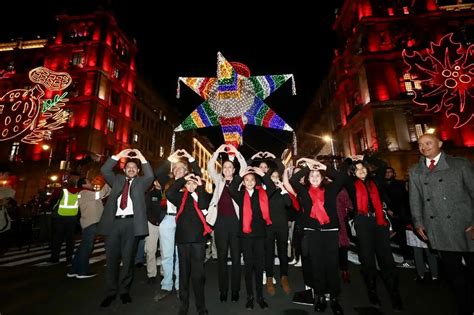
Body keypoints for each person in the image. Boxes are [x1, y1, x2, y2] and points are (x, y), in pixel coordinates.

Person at [409, 133, 474, 315]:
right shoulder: (416, 171)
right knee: (455, 276)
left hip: (467, 226)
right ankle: (465, 308)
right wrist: (418, 223)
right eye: (420, 144)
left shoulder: (459, 164)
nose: (424, 147)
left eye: (428, 143)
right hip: (439, 228)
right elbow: (415, 201)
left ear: (440, 143)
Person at [344, 155, 403, 311]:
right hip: (362, 223)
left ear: (368, 169)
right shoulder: (351, 185)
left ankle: (394, 294)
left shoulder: (376, 181)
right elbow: (341, 175)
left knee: (387, 259)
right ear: (353, 173)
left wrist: (365, 157)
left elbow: (383, 165)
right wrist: (350, 161)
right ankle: (372, 292)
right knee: (367, 259)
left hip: (379, 222)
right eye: (357, 169)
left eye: (363, 168)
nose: (361, 170)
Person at [289, 158, 346, 315]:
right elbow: (293, 179)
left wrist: (323, 167)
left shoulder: (331, 190)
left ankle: (334, 298)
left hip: (330, 232)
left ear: (322, 178)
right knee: (317, 266)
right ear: (308, 178)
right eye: (312, 175)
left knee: (332, 266)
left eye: (317, 175)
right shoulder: (303, 191)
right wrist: (307, 168)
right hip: (312, 232)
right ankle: (320, 296)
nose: (314, 177)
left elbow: (341, 178)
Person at [98, 148, 154, 308]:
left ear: (137, 171)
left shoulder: (141, 183)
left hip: (132, 224)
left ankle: (124, 291)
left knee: (128, 260)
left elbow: (150, 175)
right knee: (112, 260)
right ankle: (110, 292)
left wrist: (141, 156)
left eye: (134, 168)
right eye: (128, 167)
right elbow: (105, 169)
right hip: (113, 224)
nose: (131, 169)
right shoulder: (116, 180)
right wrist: (120, 155)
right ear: (123, 169)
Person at [154, 149, 203, 301]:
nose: (178, 169)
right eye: (175, 167)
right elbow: (157, 173)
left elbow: (199, 172)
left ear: (186, 170)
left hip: (184, 222)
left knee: (181, 255)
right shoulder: (167, 182)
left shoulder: (191, 181)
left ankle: (179, 286)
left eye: (181, 167)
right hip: (168, 219)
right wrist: (171, 158)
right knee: (167, 255)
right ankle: (166, 285)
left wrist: (189, 157)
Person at [229, 166, 275, 310]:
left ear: (255, 182)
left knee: (259, 266)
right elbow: (231, 188)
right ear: (243, 182)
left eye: (252, 180)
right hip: (246, 236)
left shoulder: (262, 193)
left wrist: (262, 174)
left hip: (260, 235)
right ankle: (250, 296)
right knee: (248, 267)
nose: (249, 182)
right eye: (246, 180)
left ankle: (260, 297)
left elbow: (272, 187)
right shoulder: (240, 195)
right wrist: (240, 174)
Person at [206, 144, 246, 303]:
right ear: (222, 170)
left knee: (236, 258)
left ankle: (235, 290)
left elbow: (244, 165)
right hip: (220, 223)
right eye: (225, 167)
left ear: (234, 170)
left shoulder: (238, 181)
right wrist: (218, 150)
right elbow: (210, 166)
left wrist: (235, 152)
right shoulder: (218, 180)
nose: (228, 169)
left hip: (235, 223)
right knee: (221, 258)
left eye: (230, 167)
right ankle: (223, 290)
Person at [167, 173, 211, 315]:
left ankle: (201, 306)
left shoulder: (202, 196)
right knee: (184, 274)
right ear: (185, 185)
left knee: (198, 275)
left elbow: (204, 205)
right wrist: (182, 179)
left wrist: (201, 186)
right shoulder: (180, 197)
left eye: (194, 183)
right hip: (183, 239)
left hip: (198, 239)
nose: (191, 186)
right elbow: (169, 193)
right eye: (188, 183)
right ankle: (184, 305)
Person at [67, 178, 110, 279]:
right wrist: (109, 182)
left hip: (90, 223)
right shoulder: (84, 193)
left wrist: (111, 186)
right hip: (90, 223)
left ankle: (74, 270)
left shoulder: (88, 194)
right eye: (89, 182)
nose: (92, 183)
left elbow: (104, 194)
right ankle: (82, 271)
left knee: (83, 247)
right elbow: (101, 194)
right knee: (87, 247)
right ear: (84, 185)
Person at [265, 168, 292, 295]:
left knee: (283, 253)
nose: (275, 178)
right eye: (273, 176)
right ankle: (269, 278)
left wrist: (282, 188)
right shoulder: (266, 191)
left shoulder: (282, 191)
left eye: (277, 176)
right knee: (269, 253)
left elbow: (288, 203)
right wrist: (272, 187)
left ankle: (284, 277)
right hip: (269, 226)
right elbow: (264, 202)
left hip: (282, 226)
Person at [49, 177, 81, 264]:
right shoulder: (79, 192)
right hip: (72, 217)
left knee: (57, 238)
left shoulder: (61, 191)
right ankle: (69, 257)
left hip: (59, 216)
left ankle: (55, 257)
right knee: (70, 238)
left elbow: (52, 201)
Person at [144, 178, 165, 284]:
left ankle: (164, 272)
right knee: (150, 250)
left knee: (164, 250)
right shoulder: (150, 194)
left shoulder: (167, 193)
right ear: (155, 182)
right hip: (152, 224)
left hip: (165, 225)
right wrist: (155, 222)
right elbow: (146, 210)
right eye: (159, 181)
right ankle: (151, 274)